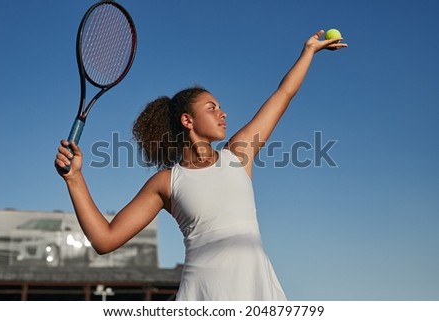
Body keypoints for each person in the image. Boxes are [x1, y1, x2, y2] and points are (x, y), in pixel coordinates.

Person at [55, 30, 347, 300]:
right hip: (201, 296)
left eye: (220, 107)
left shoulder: (238, 155)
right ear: (188, 120)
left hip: (257, 292)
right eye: (212, 108)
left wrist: (308, 52)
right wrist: (75, 179)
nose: (223, 113)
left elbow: (283, 94)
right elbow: (105, 240)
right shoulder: (165, 182)